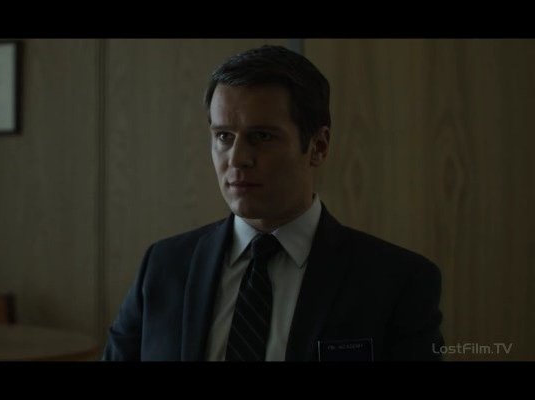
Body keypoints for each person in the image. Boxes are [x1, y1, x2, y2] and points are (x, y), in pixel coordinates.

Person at [102, 45, 444, 361]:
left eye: (262, 136)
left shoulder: (396, 281)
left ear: (318, 146)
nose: (237, 158)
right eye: (224, 136)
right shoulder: (164, 266)